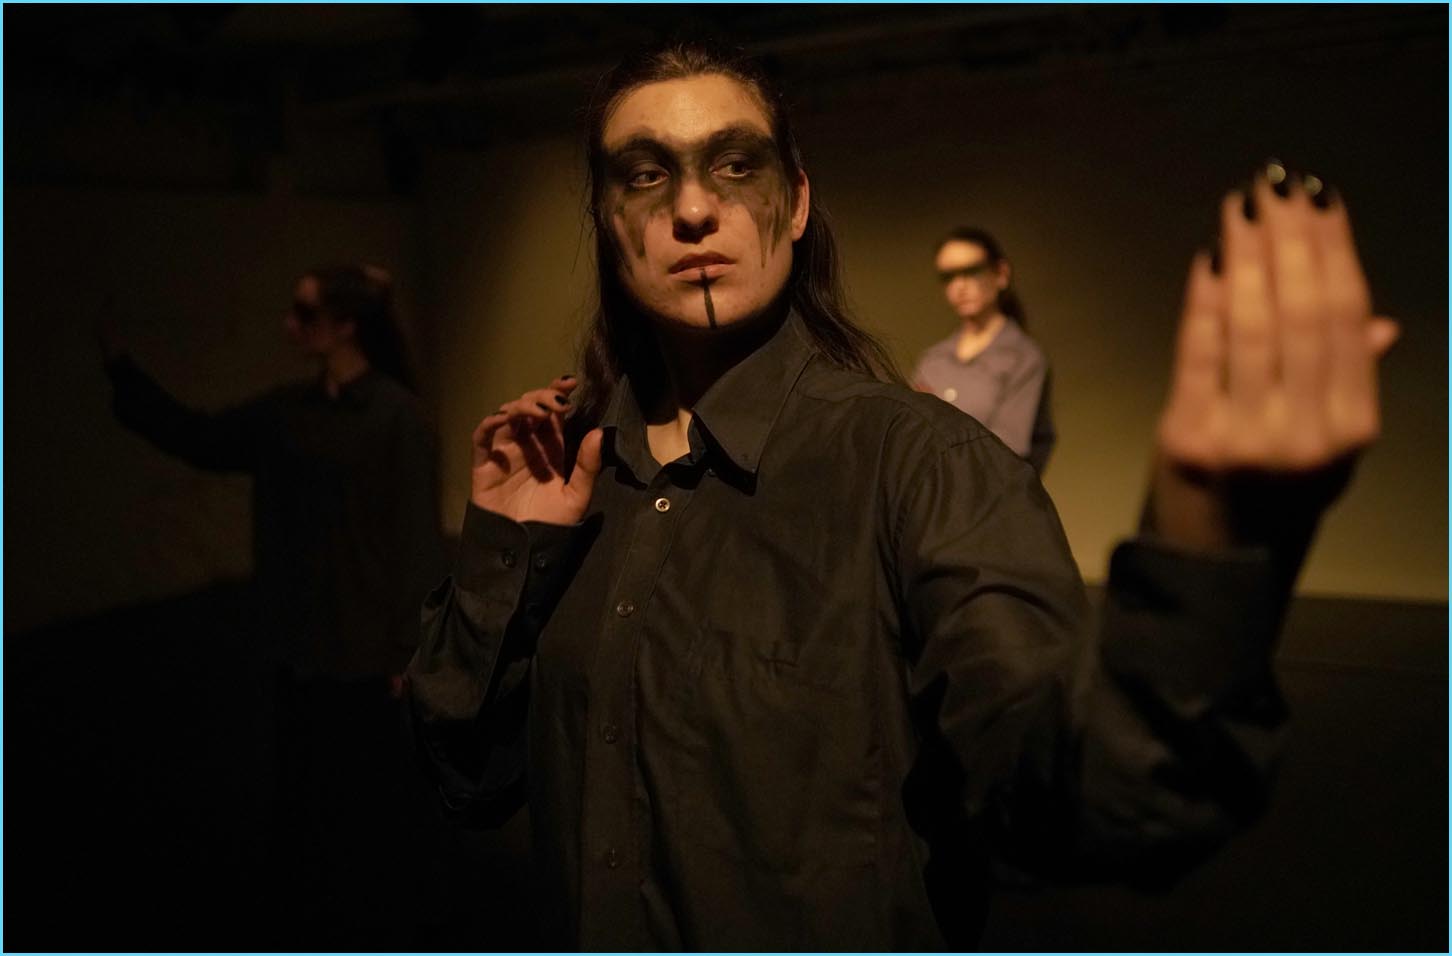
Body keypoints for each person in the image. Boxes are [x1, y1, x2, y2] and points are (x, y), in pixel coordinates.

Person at [406, 41, 1396, 951]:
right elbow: (468, 777)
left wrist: (1209, 540)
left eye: (737, 165)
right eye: (647, 173)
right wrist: (506, 551)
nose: (695, 208)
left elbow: (1086, 802)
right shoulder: (576, 475)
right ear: (606, 220)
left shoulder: (922, 465)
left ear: (797, 202)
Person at [102, 263, 448, 945]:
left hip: (363, 654)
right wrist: (123, 372)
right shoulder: (291, 412)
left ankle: (372, 928)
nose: (291, 326)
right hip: (298, 642)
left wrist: (412, 647)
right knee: (303, 805)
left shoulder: (396, 418)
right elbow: (201, 437)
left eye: (306, 313)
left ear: (346, 325)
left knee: (366, 813)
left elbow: (415, 540)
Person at [913, 227, 1056, 472]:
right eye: (948, 277)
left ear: (1000, 274)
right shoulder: (933, 360)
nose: (960, 286)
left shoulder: (1022, 358)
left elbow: (1006, 452)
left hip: (988, 491)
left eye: (971, 271)